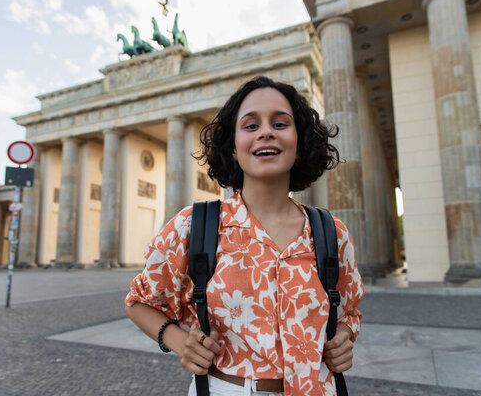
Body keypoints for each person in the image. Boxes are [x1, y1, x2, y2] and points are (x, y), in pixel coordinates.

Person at [125, 76, 365, 395]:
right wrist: (181, 342)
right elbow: (139, 302)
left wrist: (345, 337)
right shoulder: (193, 226)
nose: (265, 131)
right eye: (250, 126)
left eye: (280, 123)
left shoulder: (331, 232)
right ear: (234, 148)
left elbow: (348, 311)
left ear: (300, 141)